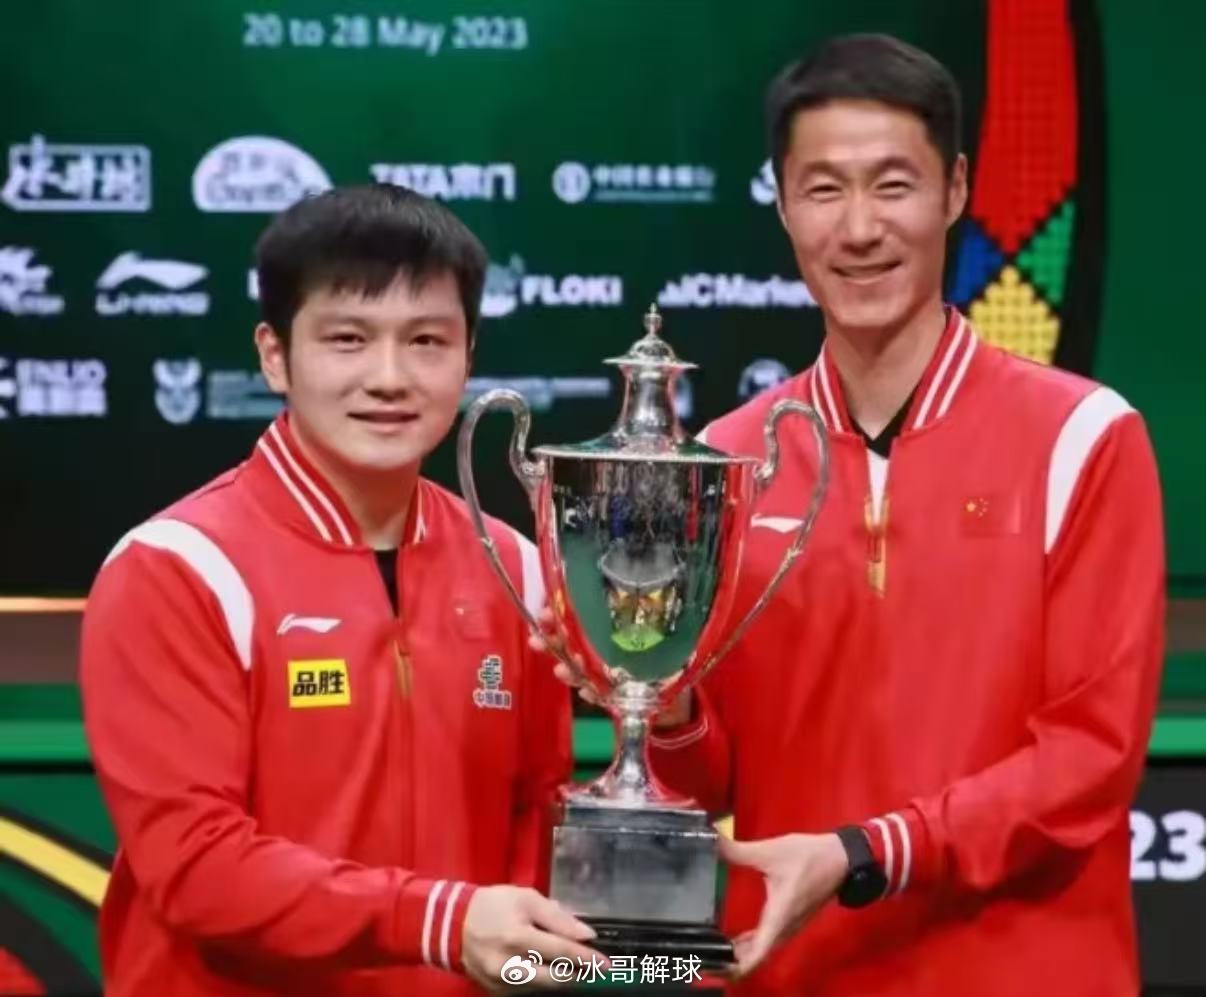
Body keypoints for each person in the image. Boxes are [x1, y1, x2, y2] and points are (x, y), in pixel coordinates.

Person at [554, 33, 1165, 996]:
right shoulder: (725, 458)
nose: (860, 228)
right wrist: (665, 709)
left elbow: (1090, 759)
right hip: (795, 971)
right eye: (824, 189)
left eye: (893, 185)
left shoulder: (1083, 436)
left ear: (955, 190)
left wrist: (869, 849)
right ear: (782, 203)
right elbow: (710, 780)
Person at [80, 184, 598, 996]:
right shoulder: (177, 568)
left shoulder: (517, 565)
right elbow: (195, 864)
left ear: (469, 354)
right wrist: (441, 920)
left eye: (426, 340)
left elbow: (538, 813)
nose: (389, 377)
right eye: (348, 339)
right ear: (274, 354)